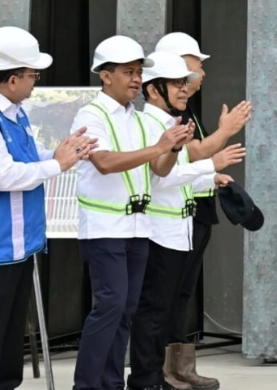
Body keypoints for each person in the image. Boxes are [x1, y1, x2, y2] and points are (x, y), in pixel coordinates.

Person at [71, 35, 194, 390]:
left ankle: (110, 382)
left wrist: (171, 148)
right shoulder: (89, 115)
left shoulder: (138, 119)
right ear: (105, 75)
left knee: (126, 310)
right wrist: (159, 146)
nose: (137, 79)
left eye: (139, 72)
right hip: (105, 227)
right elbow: (105, 163)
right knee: (110, 306)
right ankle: (87, 385)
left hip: (138, 228)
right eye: (128, 72)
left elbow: (159, 168)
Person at [127, 51, 245, 390]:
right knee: (152, 312)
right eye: (176, 84)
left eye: (185, 82)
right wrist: (211, 163)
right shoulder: (148, 125)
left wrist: (211, 178)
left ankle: (156, 377)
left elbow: (178, 175)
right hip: (157, 233)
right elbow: (160, 178)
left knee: (163, 311)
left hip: (177, 231)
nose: (184, 89)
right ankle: (145, 380)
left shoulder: (169, 123)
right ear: (152, 91)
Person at [0, 26, 96, 390]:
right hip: (1, 246)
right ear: (11, 79)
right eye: (31, 75)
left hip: (20, 245)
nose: (35, 81)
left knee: (10, 335)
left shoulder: (17, 113)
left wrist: (58, 154)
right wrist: (58, 165)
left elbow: (25, 158)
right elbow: (6, 174)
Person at [155, 32, 251, 390]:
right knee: (168, 293)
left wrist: (214, 173)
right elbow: (195, 153)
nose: (200, 75)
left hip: (196, 207)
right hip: (175, 213)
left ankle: (181, 367)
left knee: (184, 292)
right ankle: (163, 369)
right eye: (195, 68)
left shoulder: (184, 107)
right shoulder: (164, 111)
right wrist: (225, 133)